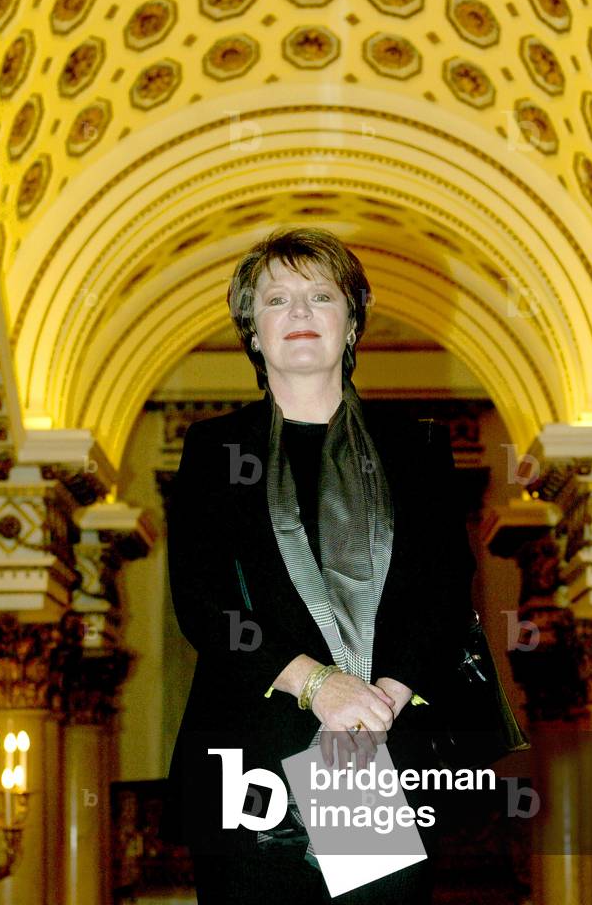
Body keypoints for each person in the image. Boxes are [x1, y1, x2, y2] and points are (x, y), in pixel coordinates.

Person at [164, 227, 479, 903]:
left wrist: (381, 698)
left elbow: (446, 591)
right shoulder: (213, 448)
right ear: (252, 332)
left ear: (353, 321)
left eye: (320, 296)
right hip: (254, 752)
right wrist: (319, 688)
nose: (299, 314)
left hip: (378, 747)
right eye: (276, 300)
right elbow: (204, 603)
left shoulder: (417, 448)